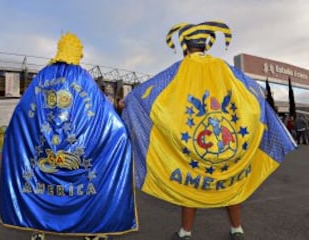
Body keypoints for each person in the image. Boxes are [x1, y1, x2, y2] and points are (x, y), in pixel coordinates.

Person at [122, 21, 296, 240]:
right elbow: (255, 93)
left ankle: (186, 232)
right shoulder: (225, 68)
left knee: (190, 187)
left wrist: (129, 100)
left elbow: (147, 93)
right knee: (232, 183)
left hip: (193, 141)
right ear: (206, 46)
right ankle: (237, 229)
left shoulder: (178, 69)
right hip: (228, 140)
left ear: (185, 46)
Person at [0, 32, 137, 240]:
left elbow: (23, 111)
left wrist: (16, 135)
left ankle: (39, 228)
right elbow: (104, 115)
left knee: (40, 185)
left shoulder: (43, 76)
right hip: (76, 149)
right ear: (77, 53)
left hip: (45, 145)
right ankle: (91, 229)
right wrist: (120, 134)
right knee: (87, 186)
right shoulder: (83, 78)